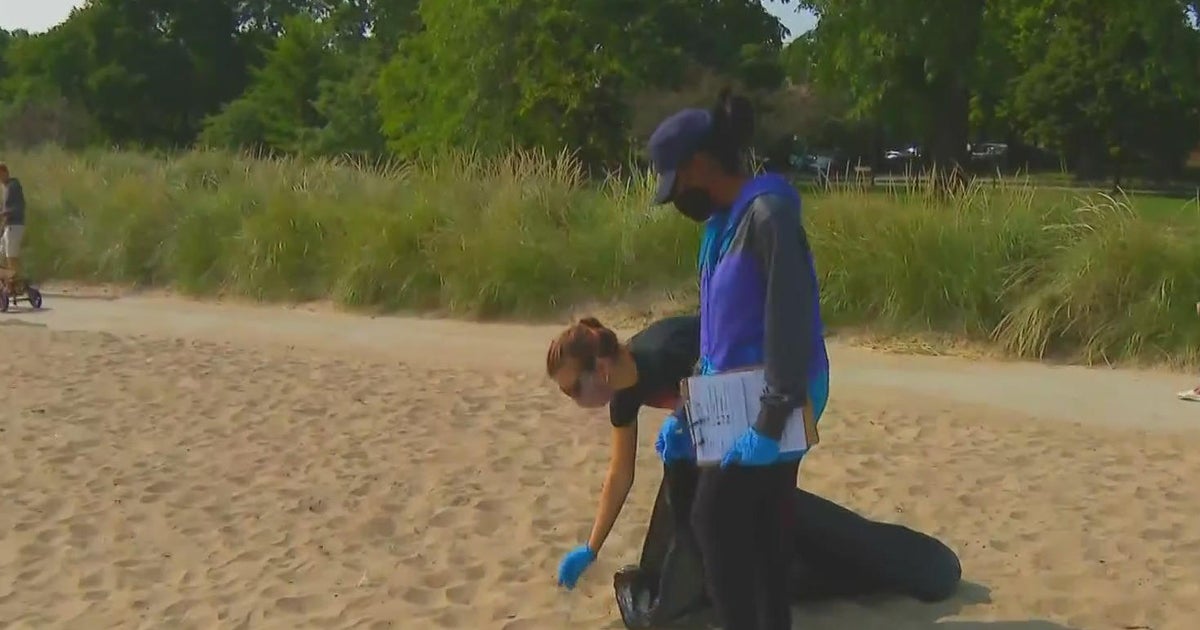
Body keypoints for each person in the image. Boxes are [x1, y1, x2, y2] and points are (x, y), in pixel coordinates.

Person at [644, 90, 831, 630]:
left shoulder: (768, 215)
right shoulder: (719, 227)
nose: (676, 197)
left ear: (700, 165)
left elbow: (789, 322)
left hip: (779, 393)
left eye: (675, 183)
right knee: (765, 528)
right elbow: (716, 337)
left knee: (714, 522)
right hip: (732, 399)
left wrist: (772, 420)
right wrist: (687, 413)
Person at [546, 314, 701, 590]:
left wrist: (691, 415)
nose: (572, 398)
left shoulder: (663, 356)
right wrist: (591, 548)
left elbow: (731, 379)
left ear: (601, 369)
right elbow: (620, 473)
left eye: (572, 389)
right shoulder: (623, 396)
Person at [0, 163, 26, 281]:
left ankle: (14, 281)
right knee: (4, 253)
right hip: (8, 226)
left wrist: (3, 214)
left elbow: (16, 207)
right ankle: (9, 280)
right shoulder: (6, 187)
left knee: (11, 256)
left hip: (14, 225)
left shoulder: (13, 186)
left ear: (4, 173)